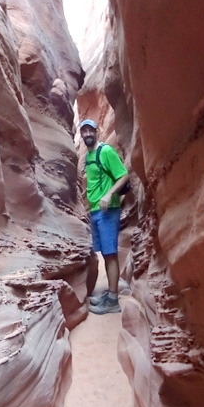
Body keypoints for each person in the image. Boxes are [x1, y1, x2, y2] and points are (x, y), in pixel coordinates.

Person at [80, 118, 129, 314]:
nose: (87, 134)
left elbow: (123, 174)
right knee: (105, 255)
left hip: (108, 211)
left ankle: (113, 301)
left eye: (90, 131)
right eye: (84, 131)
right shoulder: (89, 157)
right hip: (96, 211)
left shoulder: (106, 151)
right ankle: (109, 294)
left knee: (110, 254)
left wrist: (110, 194)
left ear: (97, 131)